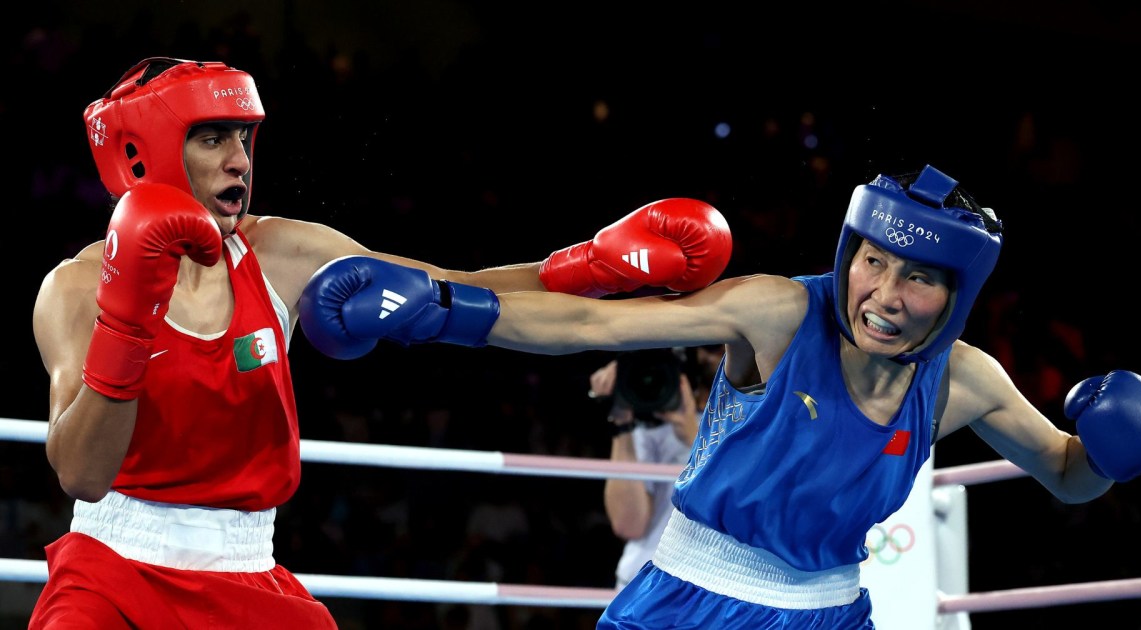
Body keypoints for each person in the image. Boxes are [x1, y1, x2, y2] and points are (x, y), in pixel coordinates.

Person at [298, 163, 1141, 628]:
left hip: (835, 614)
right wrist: (447, 309)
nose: (882, 292)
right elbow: (592, 330)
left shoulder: (964, 381)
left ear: (958, 296)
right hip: (689, 600)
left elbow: (1070, 477)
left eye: (918, 277)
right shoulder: (778, 312)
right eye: (874, 259)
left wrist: (1111, 450)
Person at [28, 56, 733, 628]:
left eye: (245, 137)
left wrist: (595, 268)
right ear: (142, 152)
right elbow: (81, 473)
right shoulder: (76, 289)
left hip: (244, 574)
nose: (239, 158)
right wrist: (129, 315)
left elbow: (450, 284)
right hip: (112, 570)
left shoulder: (280, 253)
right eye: (212, 138)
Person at [588, 348, 701, 591]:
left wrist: (694, 437)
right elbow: (628, 524)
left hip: (712, 587)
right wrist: (621, 424)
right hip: (644, 581)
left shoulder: (746, 422)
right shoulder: (648, 429)